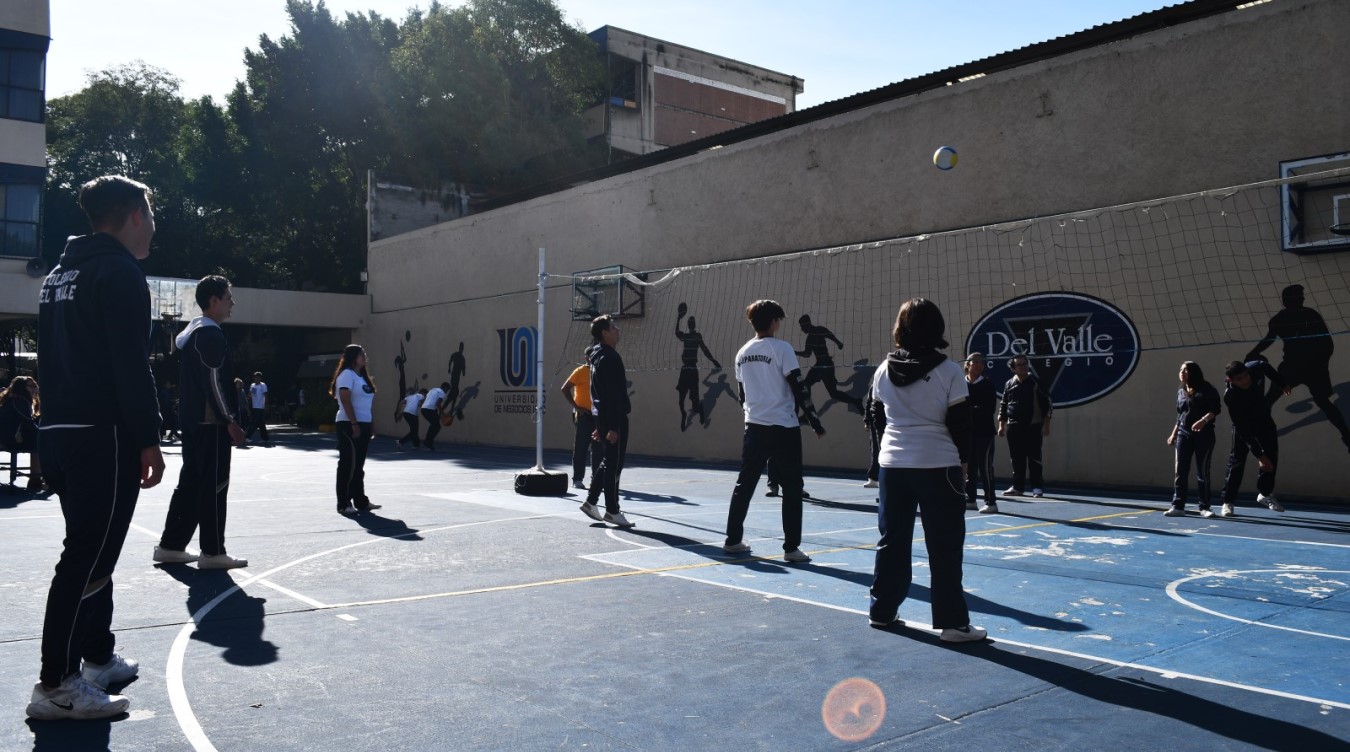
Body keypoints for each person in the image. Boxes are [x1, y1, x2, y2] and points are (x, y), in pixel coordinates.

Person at [29, 175, 166, 720]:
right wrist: (149, 437)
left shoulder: (61, 274)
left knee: (94, 552)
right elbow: (130, 365)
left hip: (60, 431)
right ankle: (56, 684)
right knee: (85, 558)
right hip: (100, 435)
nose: (154, 227)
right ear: (135, 213)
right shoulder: (120, 273)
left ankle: (96, 656)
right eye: (151, 215)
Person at [867, 298, 986, 642]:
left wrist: (888, 451)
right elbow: (962, 423)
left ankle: (882, 611)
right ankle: (952, 624)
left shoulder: (882, 370)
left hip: (894, 467)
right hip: (938, 465)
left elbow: (876, 417)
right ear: (937, 328)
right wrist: (964, 463)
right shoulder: (949, 371)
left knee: (892, 540)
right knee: (945, 545)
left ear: (900, 330)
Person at [153, 275, 250, 569]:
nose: (233, 303)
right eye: (228, 297)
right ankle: (212, 551)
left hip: (194, 424)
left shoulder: (194, 334)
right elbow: (214, 382)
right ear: (214, 300)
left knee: (191, 485)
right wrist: (230, 419)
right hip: (212, 425)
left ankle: (171, 545)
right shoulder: (211, 335)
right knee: (215, 485)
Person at [722, 300, 824, 563]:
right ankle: (791, 548)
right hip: (784, 427)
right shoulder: (782, 349)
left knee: (745, 483)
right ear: (774, 321)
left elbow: (742, 395)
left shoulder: (742, 353)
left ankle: (732, 540)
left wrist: (754, 413)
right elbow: (798, 387)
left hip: (754, 427)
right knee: (792, 487)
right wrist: (814, 420)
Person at [1248, 284, 1350, 453]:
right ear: (1289, 299)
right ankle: (1258, 435)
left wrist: (1321, 364)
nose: (1303, 298)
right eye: (1300, 295)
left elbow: (1327, 343)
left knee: (1323, 402)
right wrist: (1253, 353)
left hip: (1313, 368)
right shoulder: (1279, 319)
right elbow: (1269, 339)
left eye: (1302, 295)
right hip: (1292, 367)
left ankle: (1346, 435)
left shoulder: (1311, 315)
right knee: (1269, 400)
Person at [580, 315, 635, 528]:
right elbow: (611, 395)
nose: (617, 329)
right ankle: (612, 510)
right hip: (615, 419)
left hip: (604, 418)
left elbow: (599, 394)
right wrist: (611, 427)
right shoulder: (609, 357)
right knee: (615, 465)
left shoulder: (598, 357)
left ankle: (592, 501)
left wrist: (599, 424)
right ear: (604, 333)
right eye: (613, 327)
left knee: (609, 462)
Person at [1218, 358, 1288, 518]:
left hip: (1263, 419)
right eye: (1239, 379)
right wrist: (1259, 455)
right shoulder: (1230, 396)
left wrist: (1282, 383)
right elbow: (1244, 430)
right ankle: (1227, 501)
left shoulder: (1255, 369)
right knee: (1237, 461)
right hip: (1244, 426)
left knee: (1271, 457)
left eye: (1246, 375)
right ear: (1231, 380)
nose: (1245, 380)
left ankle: (1265, 493)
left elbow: (1265, 366)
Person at [1165, 361, 1222, 518]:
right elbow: (1181, 415)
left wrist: (1203, 421)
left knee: (1202, 472)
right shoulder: (1181, 392)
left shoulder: (1207, 389)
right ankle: (1178, 505)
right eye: (1181, 369)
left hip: (1204, 435)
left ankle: (1204, 507)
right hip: (1184, 434)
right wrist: (1174, 434)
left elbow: (1215, 409)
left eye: (1186, 370)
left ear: (1194, 373)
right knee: (1180, 470)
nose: (1182, 372)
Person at [333, 344, 382, 515]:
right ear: (354, 357)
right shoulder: (347, 375)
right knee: (348, 464)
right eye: (362, 353)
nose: (364, 356)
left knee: (358, 465)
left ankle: (360, 501)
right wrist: (354, 424)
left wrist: (371, 424)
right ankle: (343, 503)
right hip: (348, 424)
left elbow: (366, 404)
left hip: (364, 424)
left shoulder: (361, 377)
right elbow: (346, 400)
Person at [997, 354, 1052, 498]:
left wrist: (1046, 425)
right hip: (1013, 427)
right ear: (1013, 368)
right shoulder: (1009, 384)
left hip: (1033, 426)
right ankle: (1017, 487)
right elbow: (1003, 405)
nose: (1023, 367)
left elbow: (1047, 405)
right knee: (1016, 459)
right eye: (1019, 365)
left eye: (1025, 364)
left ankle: (1037, 488)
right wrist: (1001, 425)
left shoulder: (1035, 382)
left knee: (1034, 458)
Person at [796, 314, 864, 414]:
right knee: (833, 394)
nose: (802, 329)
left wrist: (793, 352)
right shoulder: (818, 331)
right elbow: (829, 335)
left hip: (822, 366)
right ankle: (856, 401)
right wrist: (838, 343)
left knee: (807, 385)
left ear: (807, 324)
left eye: (802, 326)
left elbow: (807, 354)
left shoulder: (812, 337)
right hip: (827, 365)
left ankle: (810, 413)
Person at [964, 353, 999, 513]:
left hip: (984, 432)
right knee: (969, 467)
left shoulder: (987, 385)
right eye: (975, 362)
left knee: (985, 468)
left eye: (981, 363)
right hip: (967, 432)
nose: (978, 365)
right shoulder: (960, 384)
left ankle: (991, 502)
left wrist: (970, 410)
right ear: (968, 364)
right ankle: (970, 499)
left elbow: (989, 409)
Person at [675, 311, 721, 430]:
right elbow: (677, 333)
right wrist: (678, 318)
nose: (691, 324)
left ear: (693, 325)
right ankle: (684, 414)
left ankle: (700, 410)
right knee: (681, 399)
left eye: (692, 322)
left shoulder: (697, 336)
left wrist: (714, 361)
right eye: (690, 322)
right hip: (684, 370)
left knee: (694, 401)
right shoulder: (685, 336)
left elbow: (705, 350)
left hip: (692, 370)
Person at [0, 375, 44, 491]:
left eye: (35, 386)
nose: (35, 389)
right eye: (31, 386)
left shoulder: (10, 399)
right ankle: (36, 479)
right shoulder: (20, 401)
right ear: (21, 388)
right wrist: (45, 434)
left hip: (6, 437)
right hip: (11, 440)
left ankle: (36, 477)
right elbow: (28, 424)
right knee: (40, 443)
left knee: (38, 439)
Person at [561, 358, 599, 490]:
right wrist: (576, 407)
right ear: (588, 358)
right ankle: (577, 479)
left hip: (598, 415)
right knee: (581, 447)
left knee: (598, 448)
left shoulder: (600, 371)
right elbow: (564, 388)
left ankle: (596, 479)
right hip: (584, 415)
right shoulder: (581, 371)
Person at [246, 372, 273, 446]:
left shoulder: (263, 385)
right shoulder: (252, 385)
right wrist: (248, 401)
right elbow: (251, 394)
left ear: (260, 378)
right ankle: (265, 438)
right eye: (255, 377)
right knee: (261, 423)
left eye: (258, 377)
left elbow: (266, 395)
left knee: (254, 422)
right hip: (254, 407)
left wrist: (267, 405)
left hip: (260, 406)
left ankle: (247, 437)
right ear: (254, 378)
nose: (256, 379)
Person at [421, 381, 448, 451]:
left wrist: (438, 414)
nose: (447, 392)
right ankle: (428, 441)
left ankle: (428, 441)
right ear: (445, 388)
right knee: (436, 426)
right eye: (447, 390)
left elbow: (428, 400)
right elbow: (437, 403)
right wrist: (443, 413)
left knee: (434, 424)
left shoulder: (432, 390)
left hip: (424, 409)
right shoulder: (442, 393)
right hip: (430, 410)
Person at [447, 342, 467, 421]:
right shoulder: (456, 355)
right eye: (461, 347)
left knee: (454, 393)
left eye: (462, 347)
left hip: (457, 377)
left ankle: (450, 411)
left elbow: (463, 366)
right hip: (454, 376)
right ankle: (449, 410)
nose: (461, 348)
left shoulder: (462, 357)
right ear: (459, 347)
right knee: (453, 393)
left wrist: (463, 372)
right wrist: (449, 368)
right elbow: (450, 361)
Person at [233, 377, 251, 442]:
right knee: (237, 424)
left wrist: (248, 409)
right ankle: (236, 438)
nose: (241, 384)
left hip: (243, 410)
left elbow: (245, 401)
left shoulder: (242, 391)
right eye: (239, 383)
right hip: (236, 411)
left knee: (243, 425)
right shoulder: (234, 391)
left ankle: (243, 438)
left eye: (241, 383)